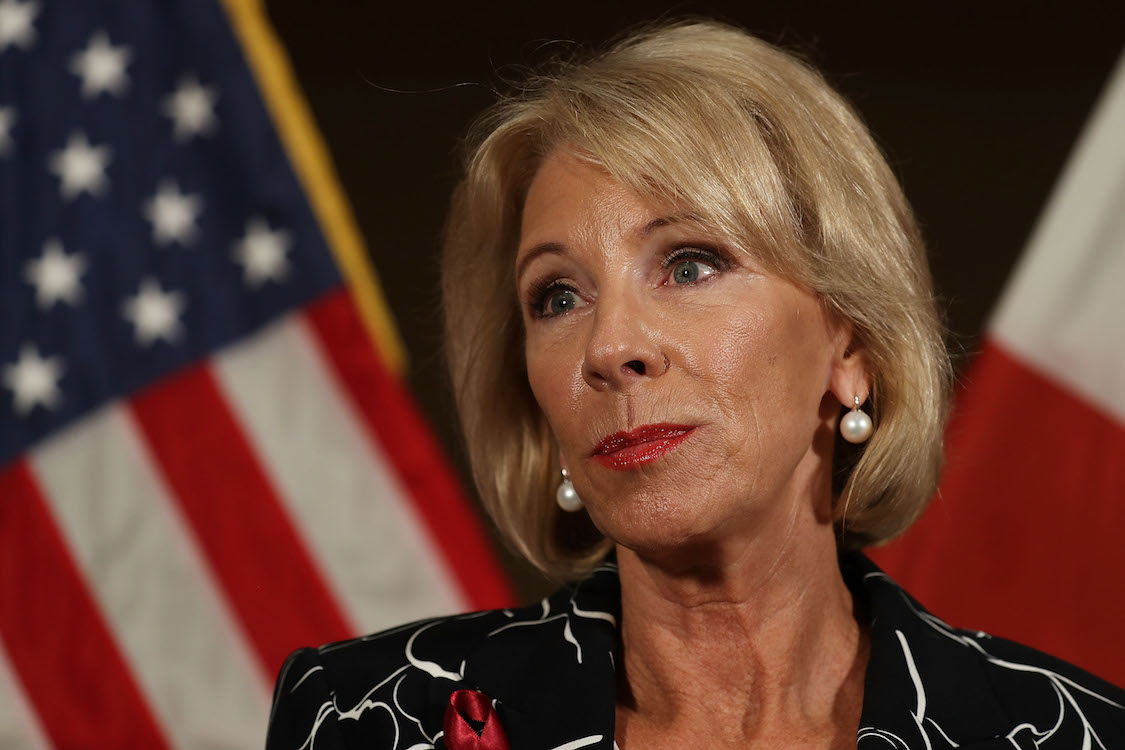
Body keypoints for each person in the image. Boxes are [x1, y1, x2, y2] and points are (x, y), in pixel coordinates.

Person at [265, 20, 1125, 750]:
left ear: (850, 345)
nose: (609, 347)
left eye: (689, 263)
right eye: (557, 297)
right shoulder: (368, 719)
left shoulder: (1068, 732)